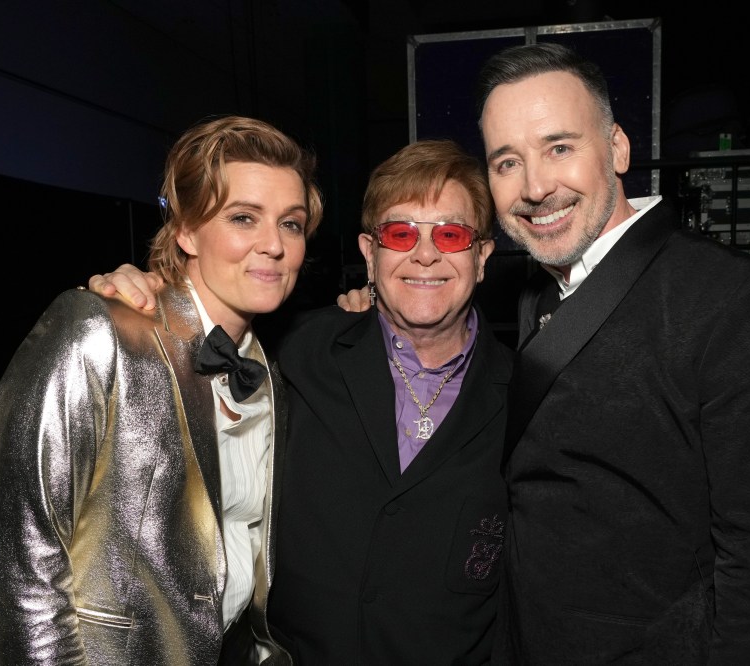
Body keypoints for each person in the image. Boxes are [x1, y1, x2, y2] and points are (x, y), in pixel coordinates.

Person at [87, 139, 513, 664]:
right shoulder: (295, 348)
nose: (424, 254)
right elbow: (204, 323)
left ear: (482, 256)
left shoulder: (530, 395)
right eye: (400, 233)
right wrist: (150, 294)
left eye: (450, 234)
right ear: (369, 253)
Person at [476, 43, 750, 664]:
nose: (535, 187)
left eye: (560, 147)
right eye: (507, 162)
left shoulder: (734, 297)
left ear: (617, 149)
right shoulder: (538, 294)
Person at [0, 115, 322, 665]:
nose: (273, 246)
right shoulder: (98, 332)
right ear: (185, 230)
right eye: (243, 218)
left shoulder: (272, 371)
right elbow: (21, 573)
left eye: (292, 224)